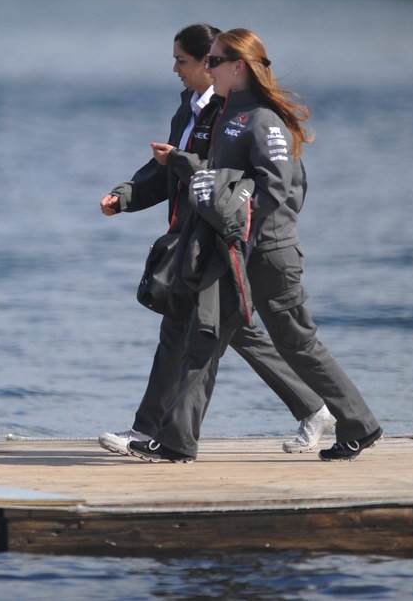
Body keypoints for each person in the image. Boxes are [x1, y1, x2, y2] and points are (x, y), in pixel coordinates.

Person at [128, 28, 382, 463]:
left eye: (213, 61)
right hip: (232, 251)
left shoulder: (264, 119)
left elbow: (278, 190)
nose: (206, 69)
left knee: (296, 343)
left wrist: (230, 209)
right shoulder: (227, 114)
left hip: (269, 253)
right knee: (203, 338)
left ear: (237, 67)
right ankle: (175, 443)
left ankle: (358, 425)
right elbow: (216, 178)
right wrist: (187, 168)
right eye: (205, 62)